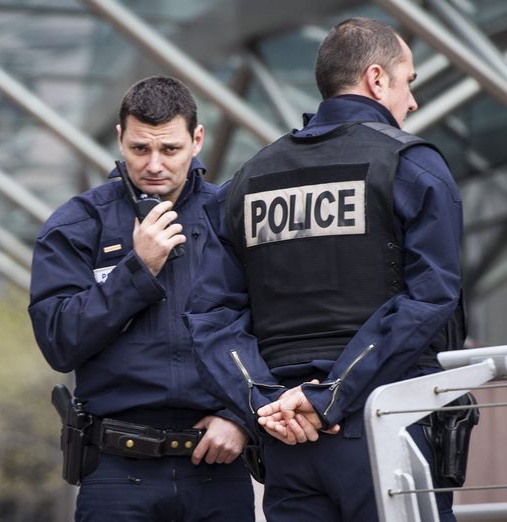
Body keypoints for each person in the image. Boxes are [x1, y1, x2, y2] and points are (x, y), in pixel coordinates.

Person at [183, 18, 465, 522]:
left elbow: (210, 314)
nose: (413, 103)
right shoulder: (412, 165)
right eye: (409, 83)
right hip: (385, 423)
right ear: (377, 80)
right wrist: (330, 396)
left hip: (286, 440)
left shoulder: (248, 180)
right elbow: (430, 297)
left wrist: (267, 404)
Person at [29, 75, 255, 521]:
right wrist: (138, 268)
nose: (154, 164)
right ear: (120, 139)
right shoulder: (77, 224)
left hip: (218, 467)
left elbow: (273, 327)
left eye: (169, 149)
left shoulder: (234, 218)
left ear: (197, 140)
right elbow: (59, 341)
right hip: (116, 471)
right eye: (139, 149)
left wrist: (242, 417)